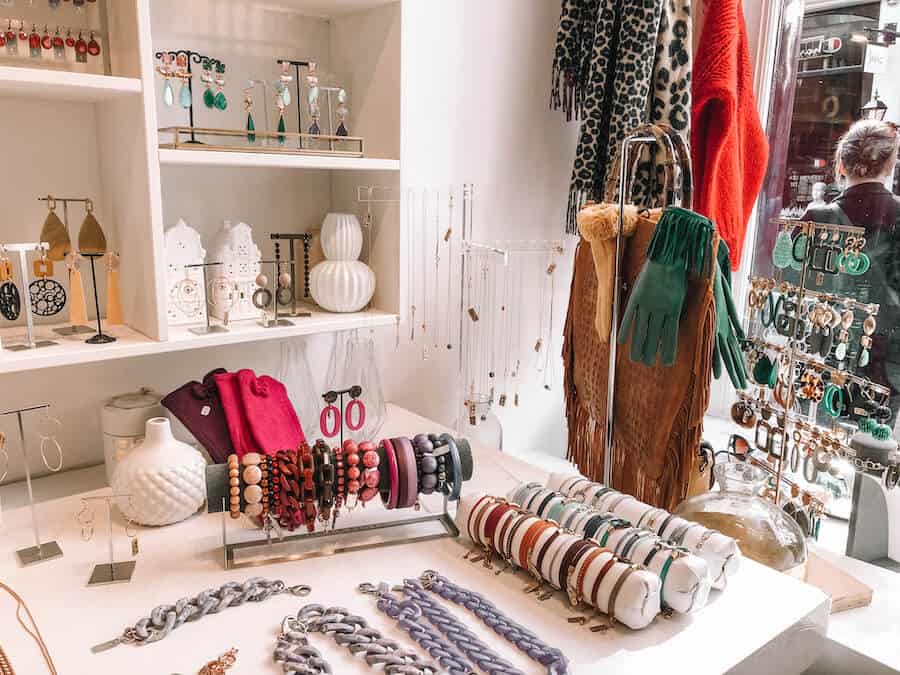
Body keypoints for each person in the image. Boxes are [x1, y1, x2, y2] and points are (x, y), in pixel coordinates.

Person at [803, 120, 900, 428]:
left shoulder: (817, 217)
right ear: (890, 164)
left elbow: (794, 287)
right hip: (888, 358)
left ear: (841, 163)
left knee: (818, 444)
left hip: (826, 345)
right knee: (872, 452)